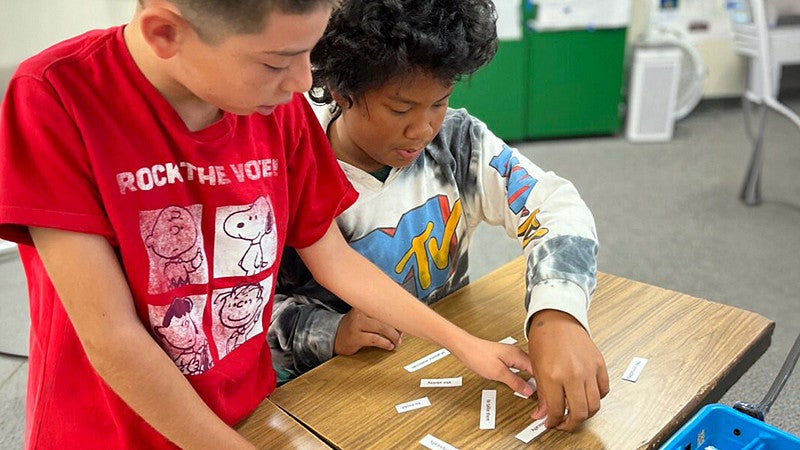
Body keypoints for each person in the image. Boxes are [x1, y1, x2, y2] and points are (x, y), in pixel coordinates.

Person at [0, 1, 537, 448]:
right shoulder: (54, 96)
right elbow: (112, 337)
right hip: (110, 428)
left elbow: (333, 259)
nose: (304, 81)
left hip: (248, 406)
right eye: (278, 62)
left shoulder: (276, 106)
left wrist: (465, 345)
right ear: (166, 33)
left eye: (309, 51)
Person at [268, 0, 610, 432]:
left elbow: (556, 205)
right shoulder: (290, 160)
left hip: (448, 363)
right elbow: (240, 309)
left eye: (439, 102)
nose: (423, 129)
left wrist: (556, 313)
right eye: (399, 109)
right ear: (340, 90)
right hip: (329, 392)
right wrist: (326, 330)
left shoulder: (457, 142)